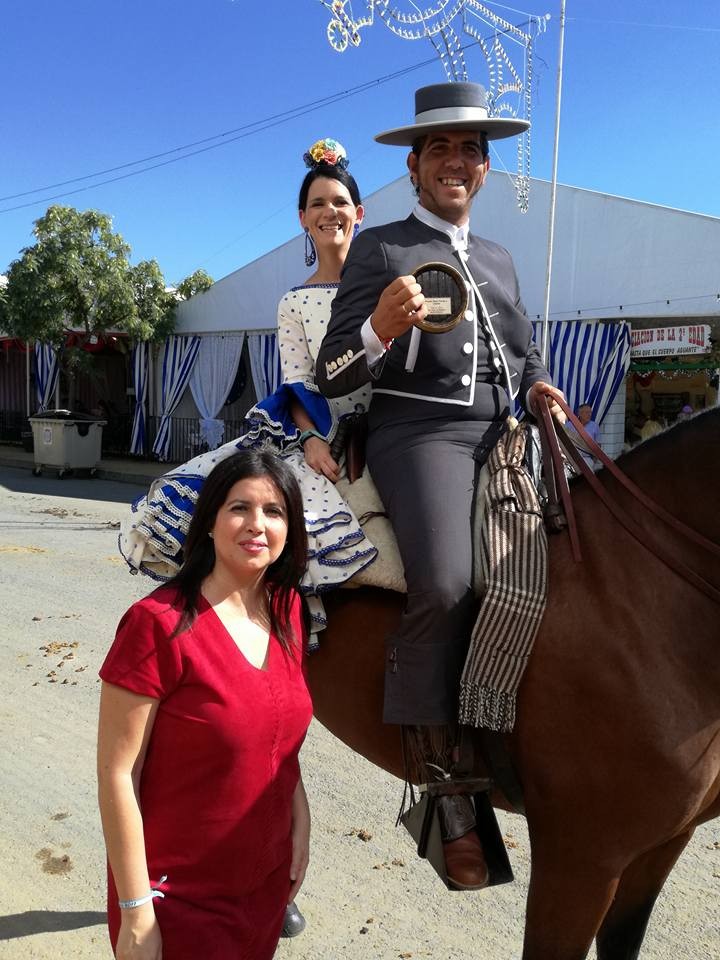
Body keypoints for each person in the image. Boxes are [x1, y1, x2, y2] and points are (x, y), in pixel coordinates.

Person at [316, 82, 565, 890]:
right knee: (450, 582)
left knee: (570, 567)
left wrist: (540, 390)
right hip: (418, 431)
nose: (457, 162)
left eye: (471, 151)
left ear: (486, 170)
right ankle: (444, 778)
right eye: (441, 150)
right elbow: (331, 373)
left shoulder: (497, 258)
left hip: (507, 432)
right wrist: (377, 328)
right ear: (415, 165)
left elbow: (523, 355)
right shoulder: (381, 247)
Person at [120, 137, 376, 633]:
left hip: (384, 423)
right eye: (318, 204)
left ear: (359, 212)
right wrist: (311, 439)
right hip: (322, 433)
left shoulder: (382, 285)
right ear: (302, 217)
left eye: (340, 202)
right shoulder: (293, 303)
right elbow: (298, 382)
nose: (330, 212)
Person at [98, 450, 312, 960]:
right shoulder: (156, 624)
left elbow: (278, 723)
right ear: (211, 522)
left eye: (275, 512)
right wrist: (135, 909)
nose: (256, 524)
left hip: (262, 888)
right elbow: (118, 775)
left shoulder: (288, 609)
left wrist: (299, 814)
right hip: (178, 900)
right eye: (240, 507)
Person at [566, 402, 601, 469]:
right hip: (571, 458)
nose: (589, 415)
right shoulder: (569, 425)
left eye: (590, 412)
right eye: (587, 412)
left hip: (587, 459)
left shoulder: (594, 426)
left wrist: (594, 460)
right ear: (579, 413)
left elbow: (598, 444)